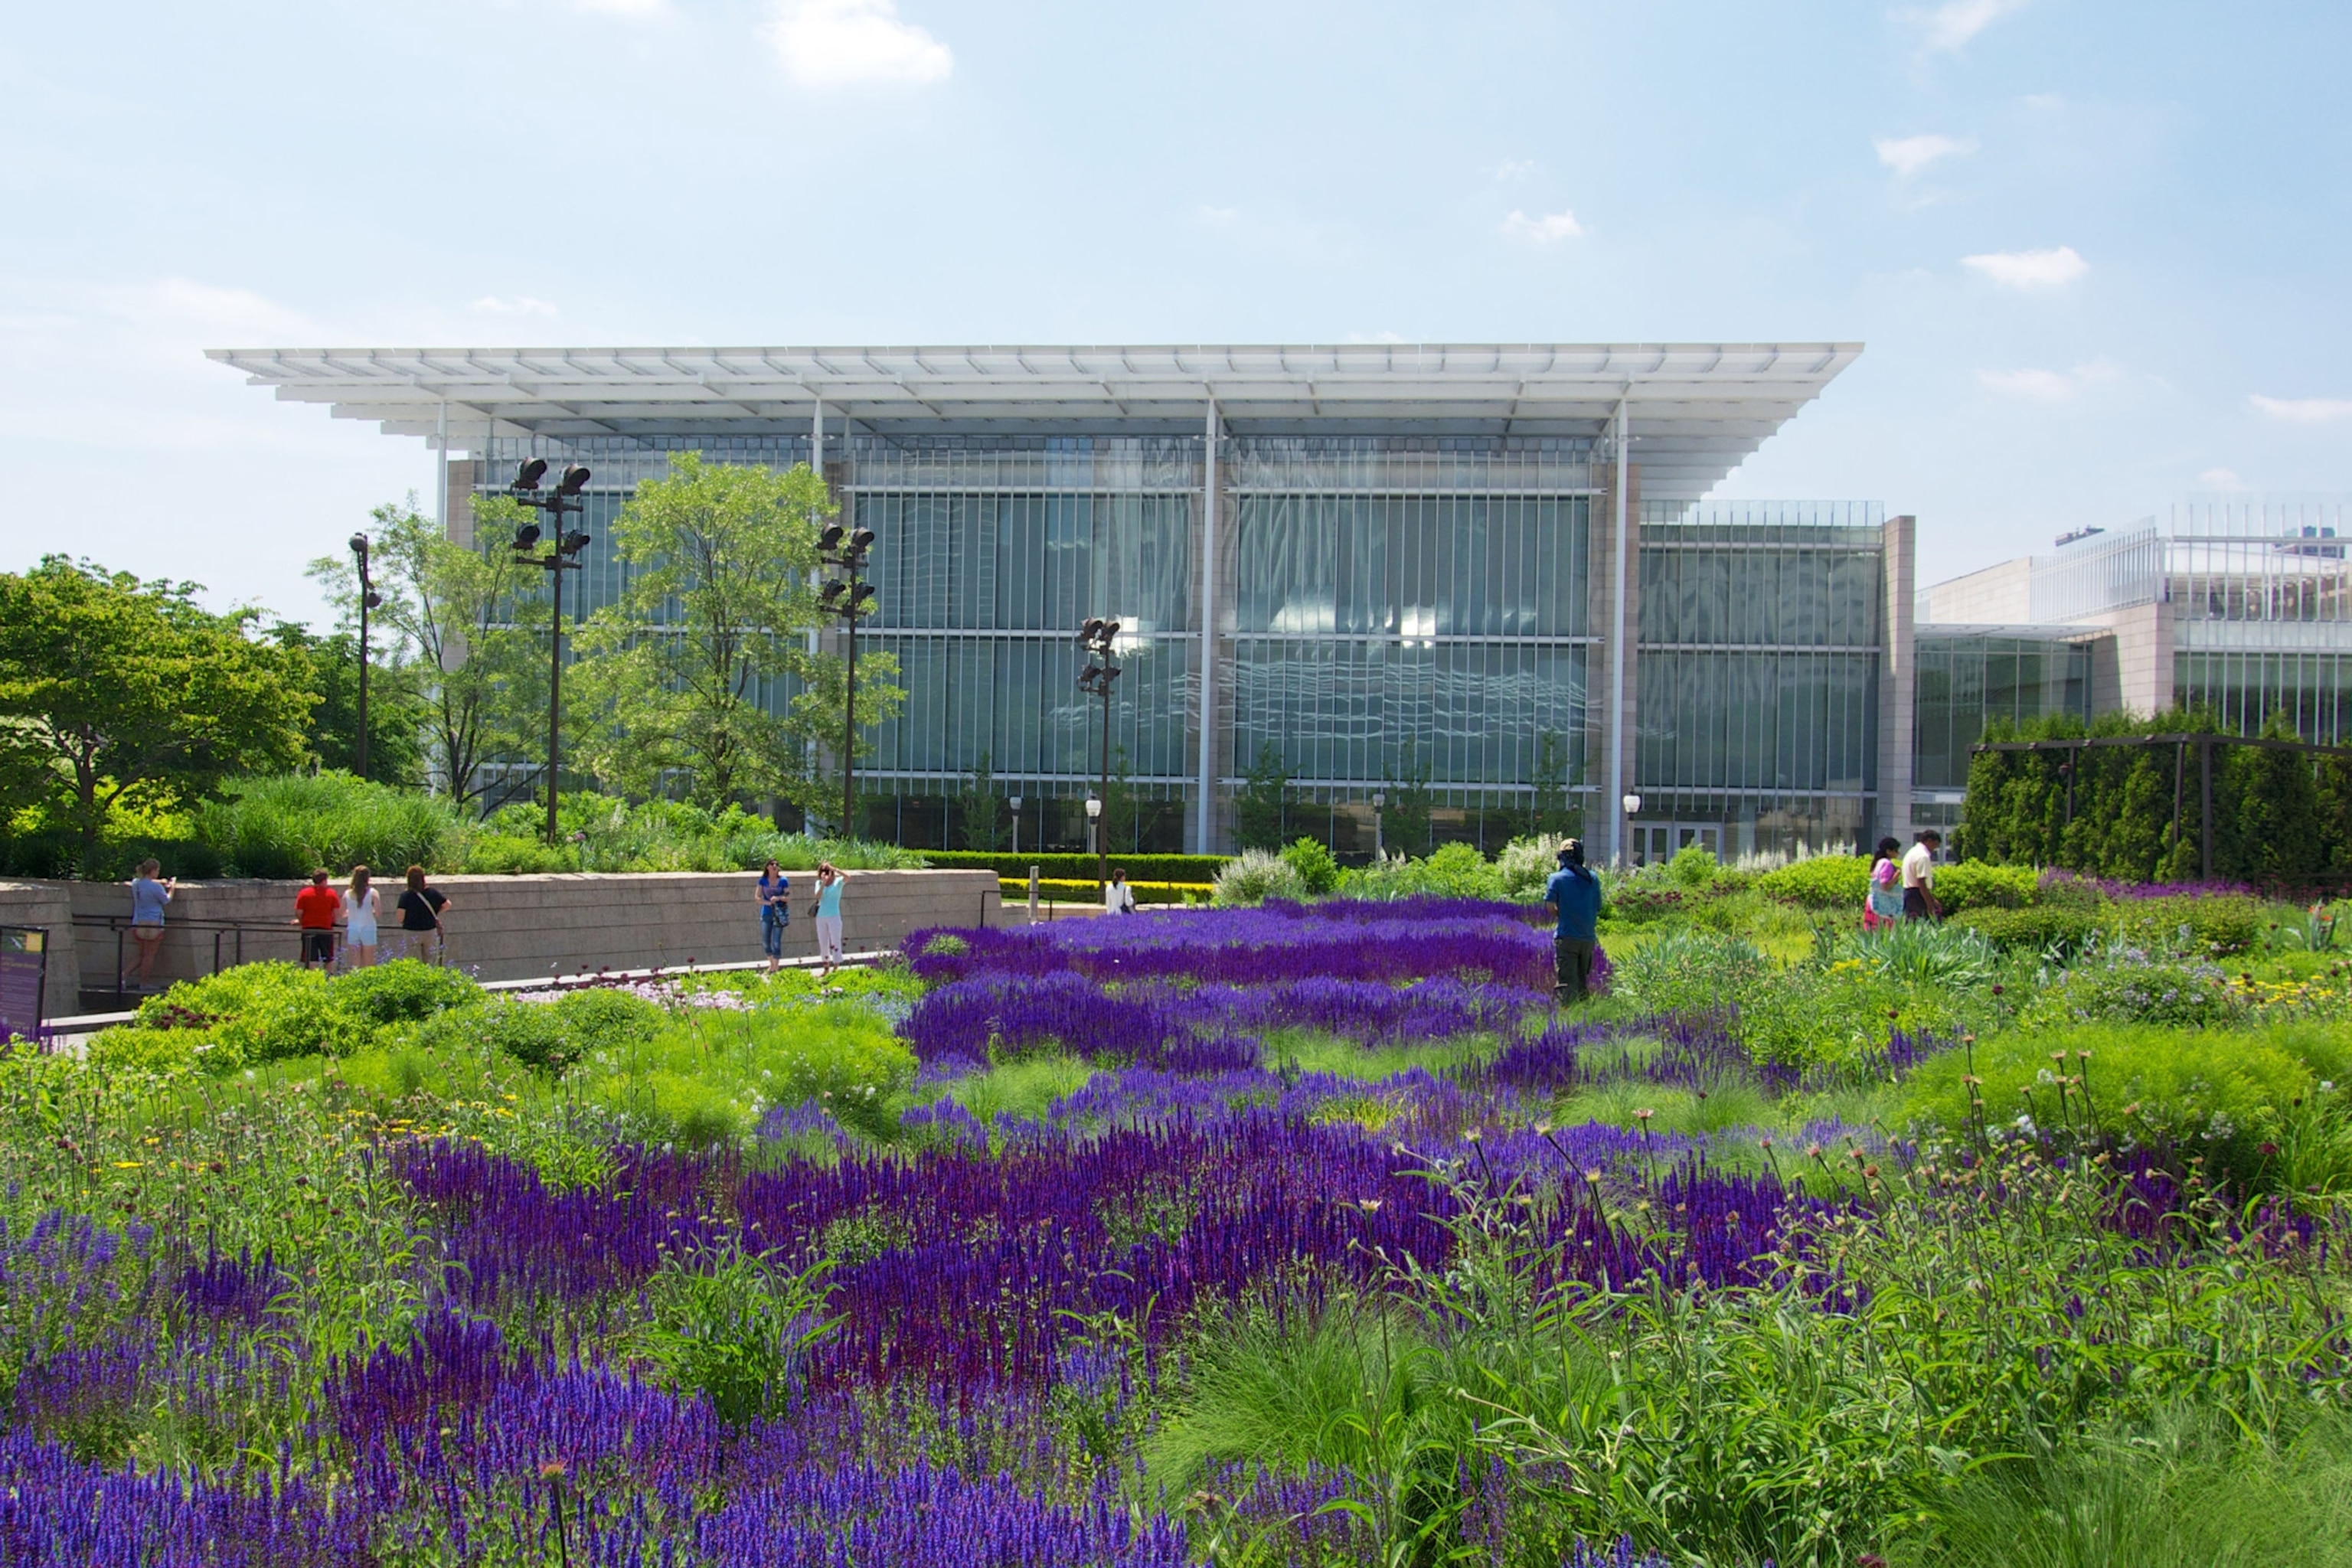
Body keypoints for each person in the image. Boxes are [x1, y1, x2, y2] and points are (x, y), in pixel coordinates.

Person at [1542, 840, 1604, 1005]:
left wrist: (1565, 914)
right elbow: (1598, 906)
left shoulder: (1557, 878)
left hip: (1567, 936)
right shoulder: (1592, 878)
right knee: (1582, 981)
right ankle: (1585, 1014)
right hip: (1588, 938)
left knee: (1567, 983)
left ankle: (1568, 1017)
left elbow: (1549, 907)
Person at [126, 858, 174, 991]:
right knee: (149, 955)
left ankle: (124, 976)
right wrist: (172, 887)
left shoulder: (136, 884)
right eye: (157, 870)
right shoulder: (156, 887)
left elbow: (145, 882)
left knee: (141, 955)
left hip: (138, 922)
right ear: (153, 871)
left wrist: (160, 881)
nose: (158, 873)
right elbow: (166, 900)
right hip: (154, 924)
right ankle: (144, 982)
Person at [395, 865, 450, 964]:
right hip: (429, 931)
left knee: (413, 963)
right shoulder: (432, 892)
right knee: (431, 962)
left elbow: (400, 917)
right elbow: (447, 904)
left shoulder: (406, 896)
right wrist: (436, 912)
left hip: (412, 932)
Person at [293, 869, 341, 969]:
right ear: (324, 881)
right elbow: (336, 913)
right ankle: (328, 980)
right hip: (326, 930)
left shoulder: (304, 893)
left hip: (309, 929)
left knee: (311, 958)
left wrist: (302, 921)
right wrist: (333, 922)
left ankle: (313, 981)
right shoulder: (331, 894)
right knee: (328, 958)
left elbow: (298, 912)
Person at [341, 864, 381, 969]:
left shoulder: (347, 893)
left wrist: (352, 912)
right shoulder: (373, 893)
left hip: (353, 930)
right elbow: (378, 913)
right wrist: (369, 911)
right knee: (369, 963)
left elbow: (341, 913)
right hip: (368, 929)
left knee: (355, 964)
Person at [1864, 836, 1904, 933]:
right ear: (1888, 851)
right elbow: (1885, 886)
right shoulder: (1887, 863)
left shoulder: (1879, 862)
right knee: (1884, 933)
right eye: (1896, 850)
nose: (1898, 853)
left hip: (1874, 901)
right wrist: (1897, 874)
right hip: (1883, 904)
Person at [756, 859, 791, 972]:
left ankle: (776, 967)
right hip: (766, 913)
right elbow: (757, 897)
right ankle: (771, 963)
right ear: (767, 867)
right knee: (766, 941)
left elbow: (788, 897)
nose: (775, 866)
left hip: (779, 914)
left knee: (776, 941)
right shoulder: (762, 881)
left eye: (777, 864)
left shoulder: (783, 880)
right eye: (772, 864)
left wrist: (779, 898)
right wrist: (768, 903)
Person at [1901, 830, 1943, 922]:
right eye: (1935, 845)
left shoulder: (1912, 852)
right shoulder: (1923, 856)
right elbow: (1921, 882)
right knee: (1926, 925)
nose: (1934, 849)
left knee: (1911, 925)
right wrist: (1930, 905)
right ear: (1929, 841)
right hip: (1918, 895)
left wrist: (1932, 899)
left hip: (1908, 893)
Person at [813, 861, 846, 975]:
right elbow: (817, 896)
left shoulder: (838, 883)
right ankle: (826, 967)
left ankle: (836, 966)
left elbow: (848, 877)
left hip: (834, 916)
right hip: (821, 916)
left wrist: (835, 869)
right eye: (822, 871)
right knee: (823, 942)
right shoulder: (818, 883)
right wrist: (823, 883)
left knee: (835, 941)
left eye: (827, 871)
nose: (825, 873)